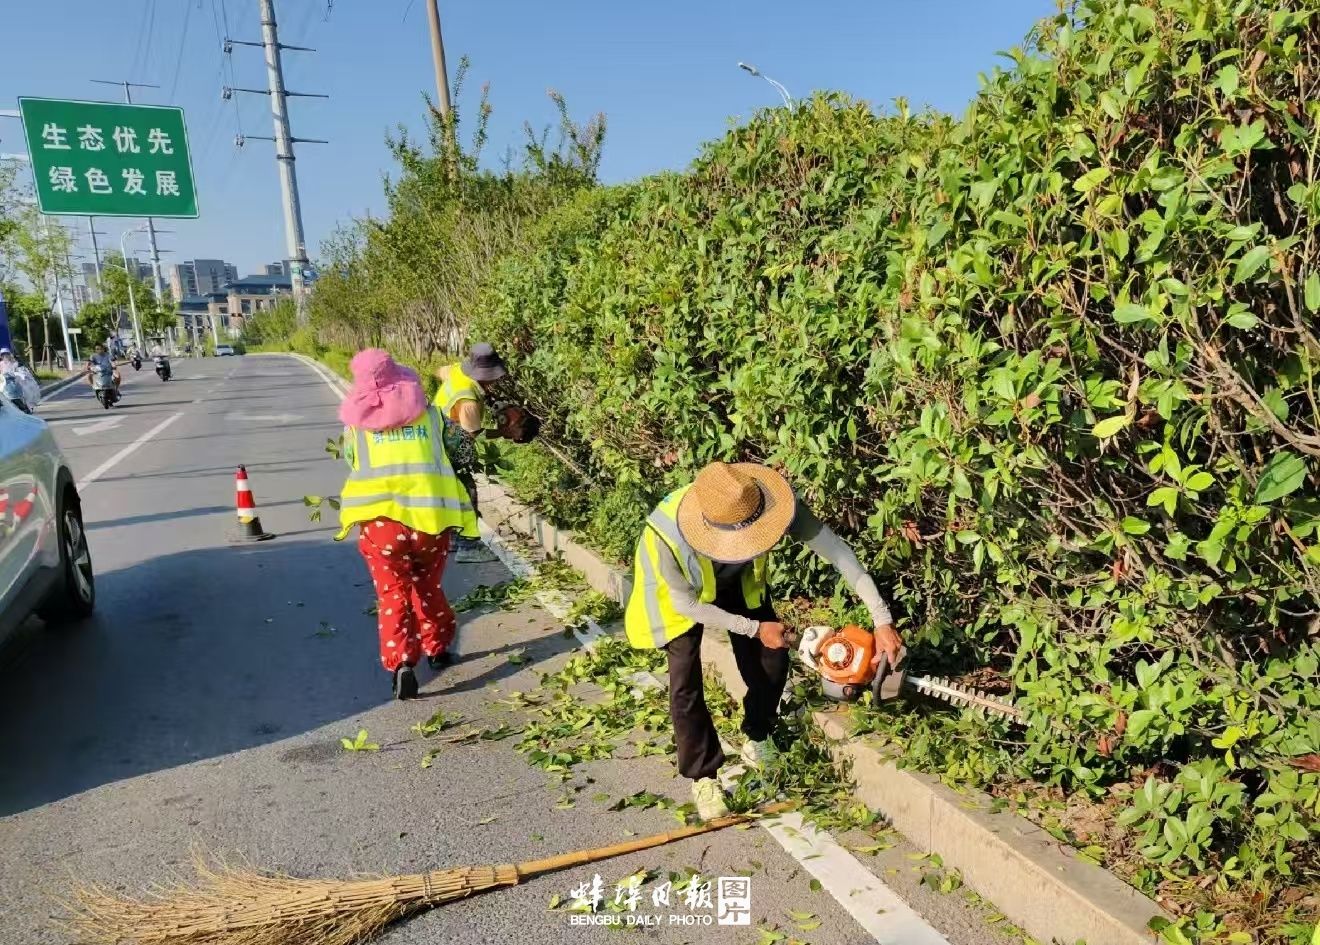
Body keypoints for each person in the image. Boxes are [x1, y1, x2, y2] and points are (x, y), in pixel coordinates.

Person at [625, 461, 903, 820]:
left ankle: (757, 735)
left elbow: (837, 552)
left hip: (737, 581)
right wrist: (754, 629)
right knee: (685, 684)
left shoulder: (772, 501)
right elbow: (688, 605)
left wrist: (882, 620)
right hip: (681, 597)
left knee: (772, 661)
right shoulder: (668, 536)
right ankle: (703, 776)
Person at [337, 349, 480, 700]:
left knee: (392, 593)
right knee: (427, 586)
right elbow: (463, 452)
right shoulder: (433, 418)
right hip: (429, 521)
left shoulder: (355, 429)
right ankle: (438, 647)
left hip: (381, 525)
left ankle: (401, 662)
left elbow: (351, 460)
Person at [433, 342, 509, 564]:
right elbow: (474, 434)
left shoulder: (456, 370)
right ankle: (467, 546)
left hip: (436, 437)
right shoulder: (468, 400)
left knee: (449, 492)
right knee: (466, 491)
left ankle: (452, 538)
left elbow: (439, 371)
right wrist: (504, 432)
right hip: (450, 444)